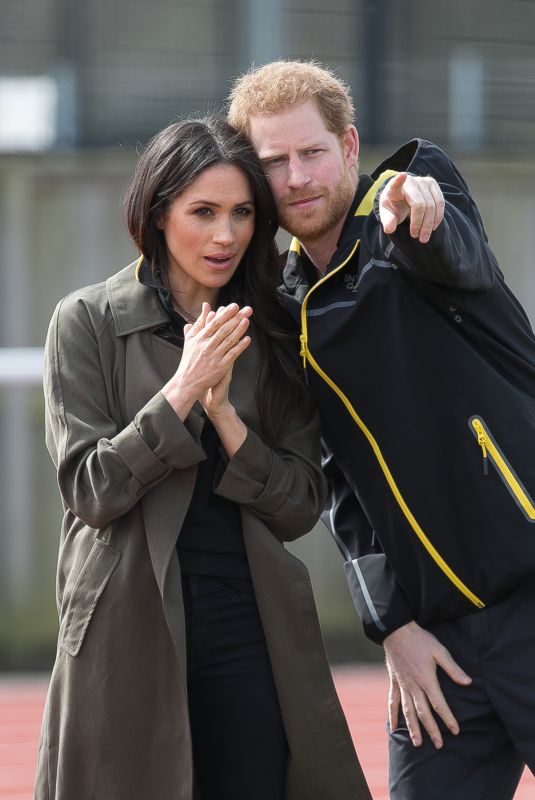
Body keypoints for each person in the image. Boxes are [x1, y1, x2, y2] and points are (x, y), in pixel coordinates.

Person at [34, 117, 372, 800]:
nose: (226, 235)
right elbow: (92, 490)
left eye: (243, 213)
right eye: (203, 213)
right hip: (123, 621)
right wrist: (183, 389)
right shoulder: (86, 321)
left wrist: (225, 418)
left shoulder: (275, 330)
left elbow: (299, 507)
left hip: (250, 622)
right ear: (158, 216)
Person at [228, 60, 535, 799]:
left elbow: (450, 247)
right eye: (272, 162)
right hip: (438, 646)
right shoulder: (283, 305)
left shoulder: (408, 199)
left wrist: (420, 210)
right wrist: (391, 628)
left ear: (350, 146)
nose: (296, 176)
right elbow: (339, 481)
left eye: (311, 152)